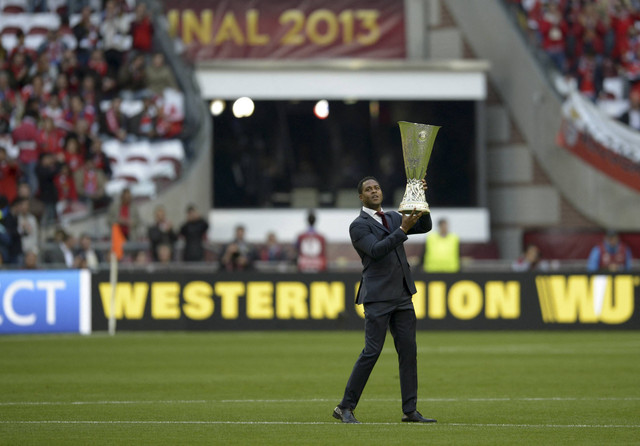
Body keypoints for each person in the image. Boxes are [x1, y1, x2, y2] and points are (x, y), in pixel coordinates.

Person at [333, 176, 436, 424]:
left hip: (401, 294)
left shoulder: (391, 216)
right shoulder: (358, 226)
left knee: (408, 351)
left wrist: (420, 199)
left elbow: (424, 226)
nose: (374, 191)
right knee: (371, 352)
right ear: (361, 197)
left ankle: (410, 410)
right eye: (368, 189)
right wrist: (402, 230)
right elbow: (377, 250)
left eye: (377, 187)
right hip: (378, 296)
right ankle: (344, 407)